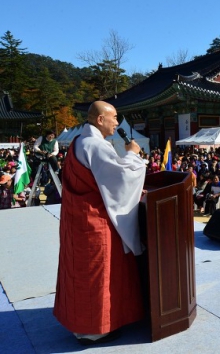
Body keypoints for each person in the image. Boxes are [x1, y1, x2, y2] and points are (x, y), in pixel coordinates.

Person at [53, 101, 146, 345]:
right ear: (99, 120)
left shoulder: (78, 142)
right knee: (99, 271)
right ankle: (94, 329)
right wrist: (133, 154)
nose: (117, 122)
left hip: (78, 217)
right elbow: (123, 178)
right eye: (114, 117)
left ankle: (80, 323)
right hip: (94, 218)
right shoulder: (95, 145)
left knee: (80, 270)